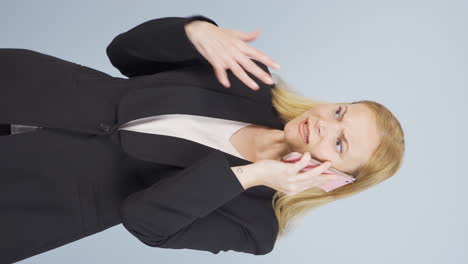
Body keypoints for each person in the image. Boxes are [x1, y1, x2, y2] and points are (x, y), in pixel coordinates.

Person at [0, 14, 405, 263]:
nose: (323, 125)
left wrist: (252, 175)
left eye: (339, 144)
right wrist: (194, 32)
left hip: (29, 201)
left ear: (335, 179)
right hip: (25, 86)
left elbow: (144, 220)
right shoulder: (253, 83)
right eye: (339, 113)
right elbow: (123, 53)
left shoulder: (256, 226)